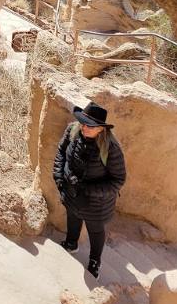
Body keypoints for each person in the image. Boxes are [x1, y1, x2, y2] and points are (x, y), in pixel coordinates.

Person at [53, 101, 126, 279]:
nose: (84, 127)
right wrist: (59, 178)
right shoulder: (72, 130)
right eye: (83, 123)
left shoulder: (111, 149)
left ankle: (94, 261)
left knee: (95, 230)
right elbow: (61, 152)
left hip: (96, 202)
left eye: (90, 126)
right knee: (73, 216)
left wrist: (88, 189)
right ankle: (71, 243)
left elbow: (117, 180)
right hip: (72, 190)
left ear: (101, 129)